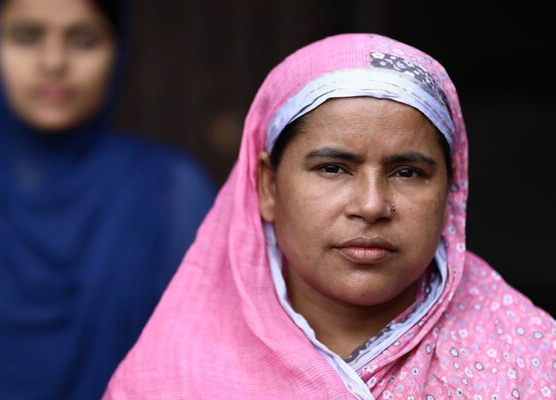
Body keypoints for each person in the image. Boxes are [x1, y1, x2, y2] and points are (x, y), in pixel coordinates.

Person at [103, 34, 555, 399]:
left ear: (450, 189)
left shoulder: (528, 356)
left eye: (408, 172)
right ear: (267, 185)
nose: (372, 205)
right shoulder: (174, 376)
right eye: (333, 168)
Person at [0, 0, 215, 398]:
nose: (54, 61)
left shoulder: (169, 190)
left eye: (84, 40)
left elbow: (206, 364)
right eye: (27, 37)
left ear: (119, 49)